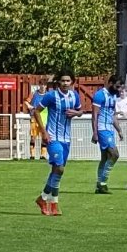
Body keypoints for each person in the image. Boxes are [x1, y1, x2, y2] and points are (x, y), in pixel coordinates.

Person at [32, 73, 83, 216]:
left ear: (72, 82)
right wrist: (44, 132)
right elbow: (36, 111)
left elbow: (80, 110)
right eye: (63, 81)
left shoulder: (74, 96)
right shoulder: (51, 96)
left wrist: (77, 113)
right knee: (59, 168)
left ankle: (44, 199)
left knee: (56, 169)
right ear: (58, 82)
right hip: (53, 137)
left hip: (66, 139)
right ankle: (53, 202)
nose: (65, 83)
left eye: (68, 81)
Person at [92, 75, 125, 194]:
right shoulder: (100, 95)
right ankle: (103, 183)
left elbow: (112, 115)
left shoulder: (113, 96)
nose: (119, 89)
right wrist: (95, 132)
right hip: (102, 129)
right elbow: (94, 115)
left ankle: (99, 184)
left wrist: (119, 130)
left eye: (120, 87)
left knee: (105, 158)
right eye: (117, 86)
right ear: (110, 83)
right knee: (115, 154)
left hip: (109, 129)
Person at [25, 83, 50, 160]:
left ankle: (43, 155)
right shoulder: (34, 93)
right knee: (33, 137)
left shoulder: (48, 95)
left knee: (44, 137)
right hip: (34, 117)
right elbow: (26, 101)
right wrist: (29, 106)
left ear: (46, 86)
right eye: (41, 84)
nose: (43, 86)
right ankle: (32, 155)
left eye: (44, 85)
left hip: (45, 118)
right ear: (39, 85)